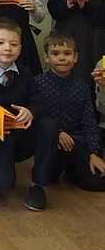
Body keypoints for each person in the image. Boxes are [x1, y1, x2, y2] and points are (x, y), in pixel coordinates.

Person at [0, 18, 58, 211]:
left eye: (13, 44)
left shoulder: (25, 73)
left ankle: (38, 185)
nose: (7, 48)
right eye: (0, 43)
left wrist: (30, 111)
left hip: (22, 135)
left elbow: (41, 104)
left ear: (20, 48)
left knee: (48, 125)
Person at [36, 32, 105, 191]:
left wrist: (94, 153)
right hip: (51, 142)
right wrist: (57, 132)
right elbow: (37, 117)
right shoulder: (37, 83)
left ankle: (72, 171)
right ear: (46, 57)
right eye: (55, 54)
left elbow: (89, 121)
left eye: (67, 53)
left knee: (98, 182)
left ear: (75, 57)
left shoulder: (82, 86)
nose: (62, 58)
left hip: (77, 142)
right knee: (48, 176)